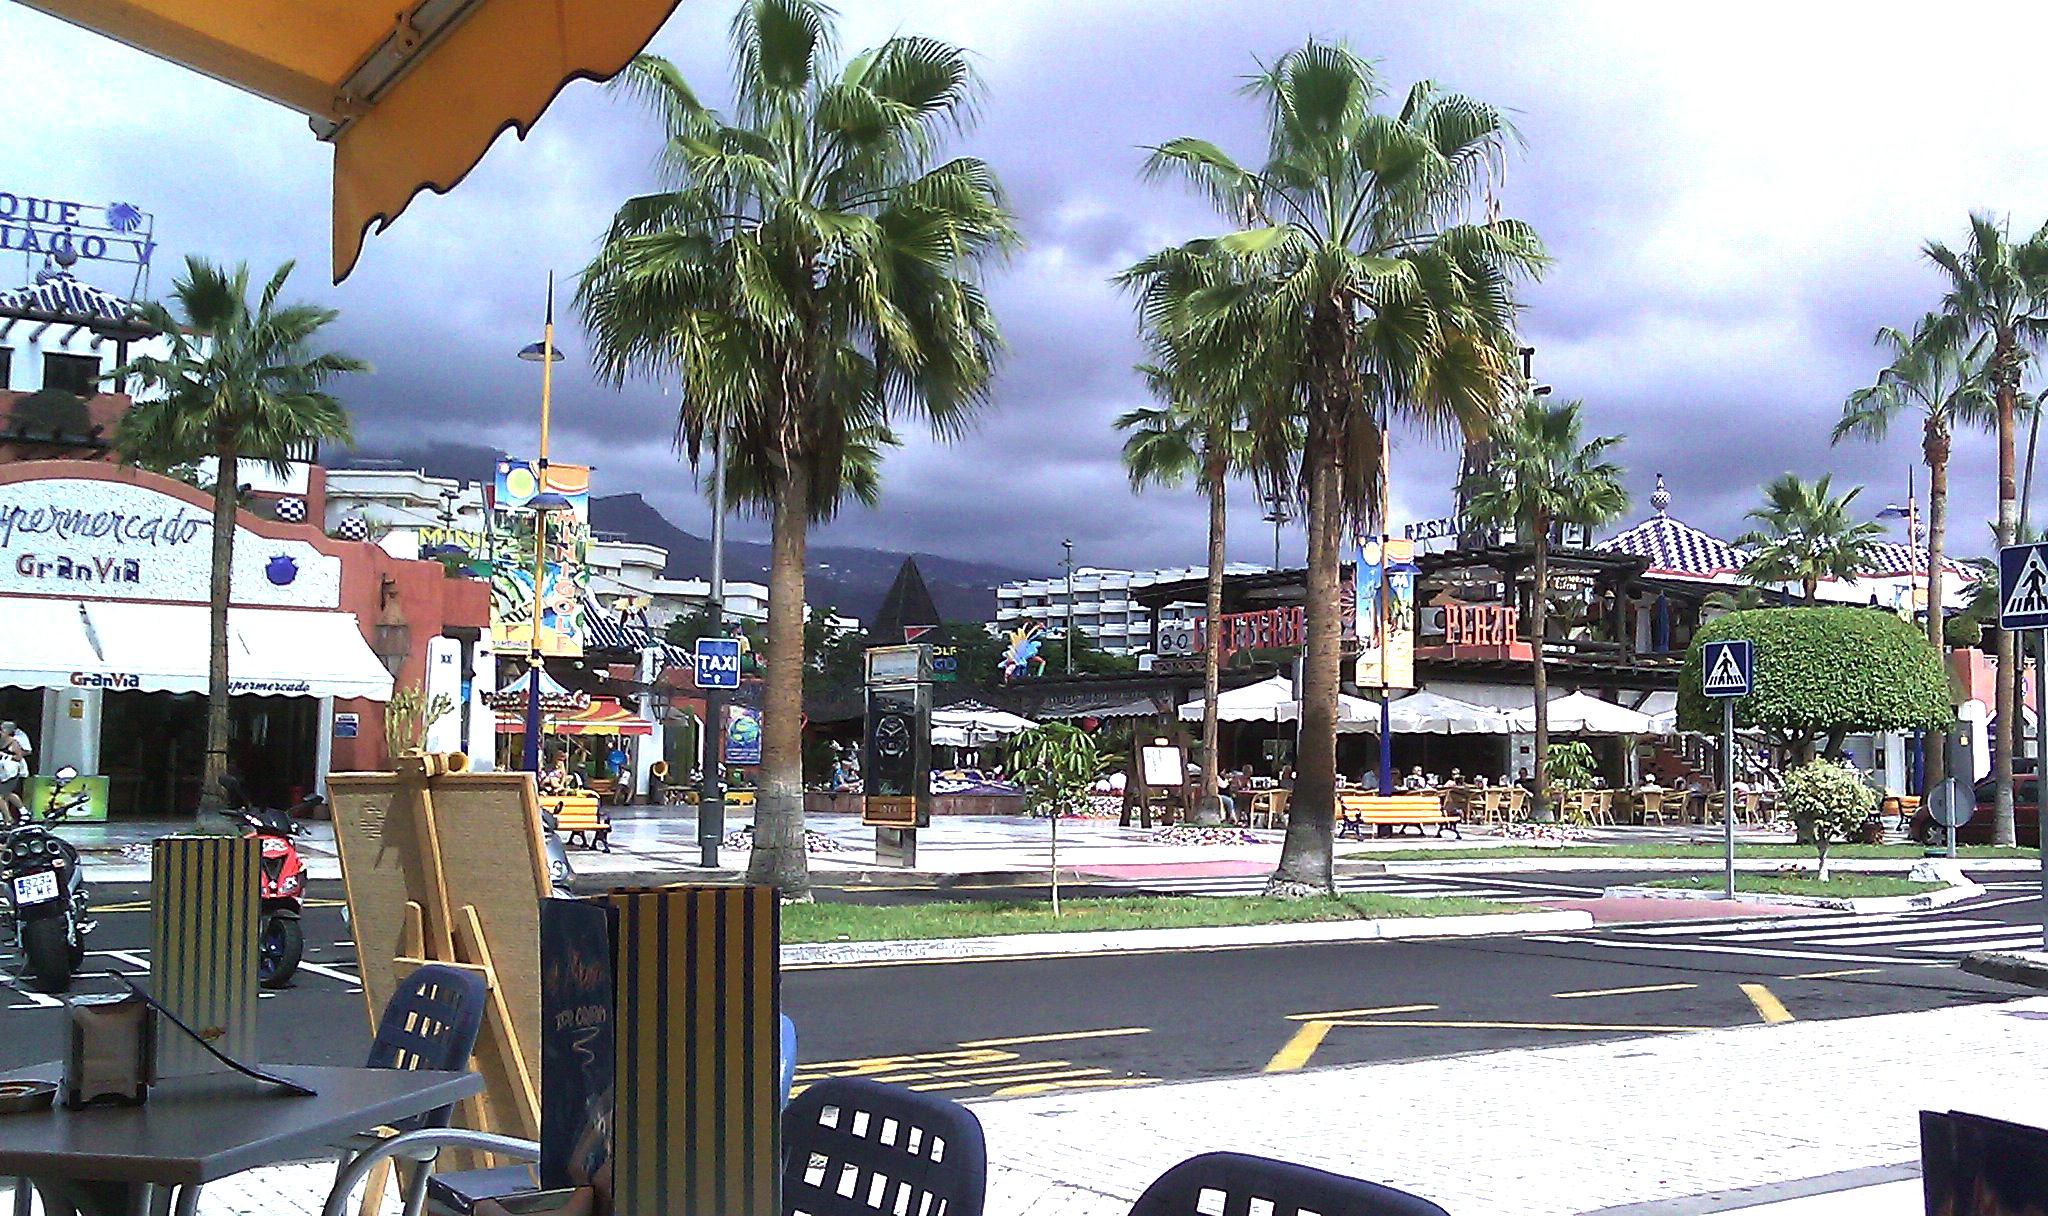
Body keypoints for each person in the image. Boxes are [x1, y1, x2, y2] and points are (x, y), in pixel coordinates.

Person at [0, 721, 30, 824]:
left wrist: (5, 755)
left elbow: (19, 757)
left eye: (3, 730)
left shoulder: (14, 742)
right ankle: (23, 813)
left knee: (3, 794)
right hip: (2, 772)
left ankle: (8, 818)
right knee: (7, 794)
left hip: (12, 771)